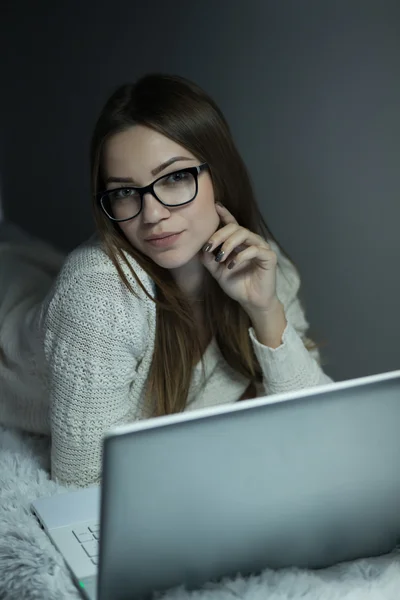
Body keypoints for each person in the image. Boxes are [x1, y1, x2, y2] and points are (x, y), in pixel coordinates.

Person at [0, 74, 332, 488]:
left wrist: (264, 311)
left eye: (175, 178)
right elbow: (81, 481)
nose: (152, 214)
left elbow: (318, 423)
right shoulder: (95, 297)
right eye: (125, 192)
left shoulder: (257, 263)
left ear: (220, 175)